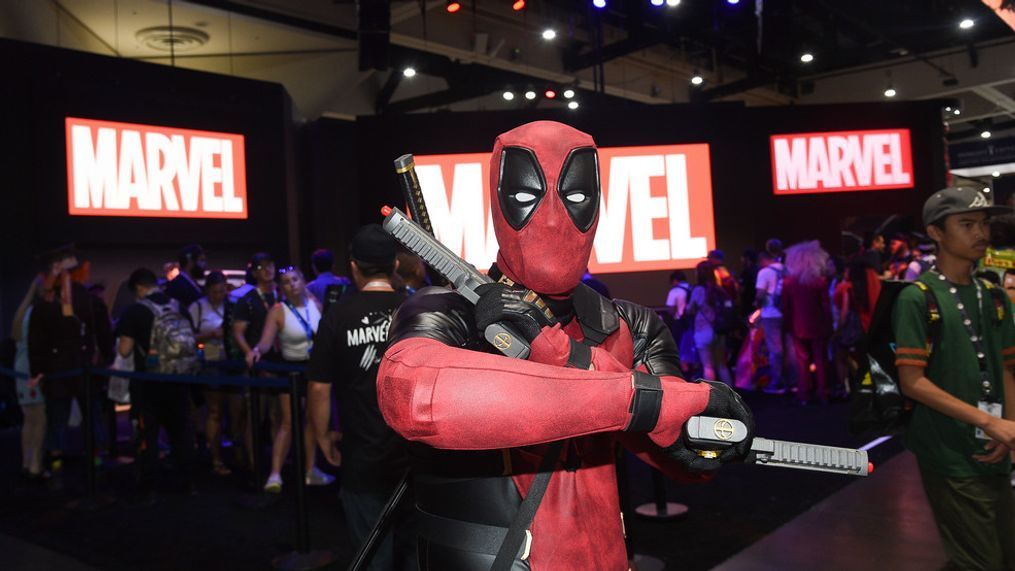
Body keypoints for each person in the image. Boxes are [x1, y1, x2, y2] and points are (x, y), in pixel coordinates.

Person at [376, 121, 754, 570]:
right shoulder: (450, 313)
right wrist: (639, 399)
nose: (553, 219)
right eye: (525, 196)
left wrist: (567, 357)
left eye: (575, 197)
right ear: (498, 202)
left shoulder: (626, 323)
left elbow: (692, 456)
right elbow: (414, 395)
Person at [893, 187, 1015, 569]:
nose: (980, 233)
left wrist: (1008, 429)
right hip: (948, 452)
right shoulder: (918, 297)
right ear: (936, 233)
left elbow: (1007, 369)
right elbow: (912, 382)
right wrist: (990, 422)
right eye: (966, 224)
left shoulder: (994, 296)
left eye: (983, 223)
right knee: (980, 561)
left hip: (996, 449)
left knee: (1003, 554)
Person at [308, 225, 413, 570]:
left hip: (361, 457)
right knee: (414, 553)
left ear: (354, 266)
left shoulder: (338, 316)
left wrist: (322, 437)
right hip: (415, 458)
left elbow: (319, 387)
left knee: (372, 556)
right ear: (395, 265)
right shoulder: (416, 311)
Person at [28, 246, 113, 475]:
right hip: (82, 365)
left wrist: (37, 370)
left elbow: (36, 340)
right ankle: (94, 462)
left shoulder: (45, 304)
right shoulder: (89, 300)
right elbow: (103, 333)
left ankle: (56, 464)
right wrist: (109, 359)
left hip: (59, 368)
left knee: (58, 417)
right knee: (88, 415)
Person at [246, 265, 331, 492]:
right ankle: (275, 474)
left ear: (303, 281)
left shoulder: (316, 305)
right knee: (288, 422)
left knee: (314, 421)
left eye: (295, 279)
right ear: (281, 287)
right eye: (285, 281)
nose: (291, 284)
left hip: (314, 369)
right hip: (290, 369)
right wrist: (256, 351)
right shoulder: (278, 310)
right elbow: (265, 342)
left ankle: (310, 470)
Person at [117, 268, 197, 499]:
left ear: (138, 289)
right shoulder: (178, 306)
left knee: (147, 436)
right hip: (179, 379)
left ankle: (148, 485)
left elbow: (124, 350)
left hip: (148, 384)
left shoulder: (134, 311)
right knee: (182, 433)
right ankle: (187, 482)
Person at [188, 270, 240, 476]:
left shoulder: (233, 305)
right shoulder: (197, 307)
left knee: (237, 411)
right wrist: (211, 334)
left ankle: (238, 453)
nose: (219, 295)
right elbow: (189, 336)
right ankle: (216, 458)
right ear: (207, 290)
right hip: (210, 359)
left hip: (232, 359)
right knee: (215, 411)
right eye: (215, 292)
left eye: (222, 291)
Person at [781, 240, 833, 405]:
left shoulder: (789, 282)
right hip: (818, 325)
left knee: (802, 361)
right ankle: (823, 393)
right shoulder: (819, 281)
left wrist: (788, 325)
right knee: (820, 360)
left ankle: (804, 394)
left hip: (797, 326)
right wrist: (829, 325)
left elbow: (786, 307)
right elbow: (825, 306)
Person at [13, 277, 46, 480]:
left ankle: (27, 462)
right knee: (40, 419)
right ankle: (36, 465)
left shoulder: (23, 312)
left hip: (21, 369)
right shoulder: (39, 314)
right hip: (34, 370)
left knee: (29, 419)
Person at [688, 261, 735, 386]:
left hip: (704, 330)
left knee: (708, 366)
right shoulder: (718, 289)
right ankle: (732, 396)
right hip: (719, 330)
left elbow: (690, 309)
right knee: (722, 365)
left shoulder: (698, 289)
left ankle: (713, 398)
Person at [755, 251, 787, 394]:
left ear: (762, 259)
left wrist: (756, 304)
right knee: (790, 348)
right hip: (788, 313)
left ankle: (777, 382)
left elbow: (760, 295)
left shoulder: (765, 272)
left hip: (771, 314)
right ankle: (793, 381)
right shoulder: (786, 268)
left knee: (775, 350)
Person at [165, 244, 206, 310]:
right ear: (190, 262)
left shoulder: (194, 284)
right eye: (201, 260)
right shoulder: (177, 285)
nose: (204, 265)